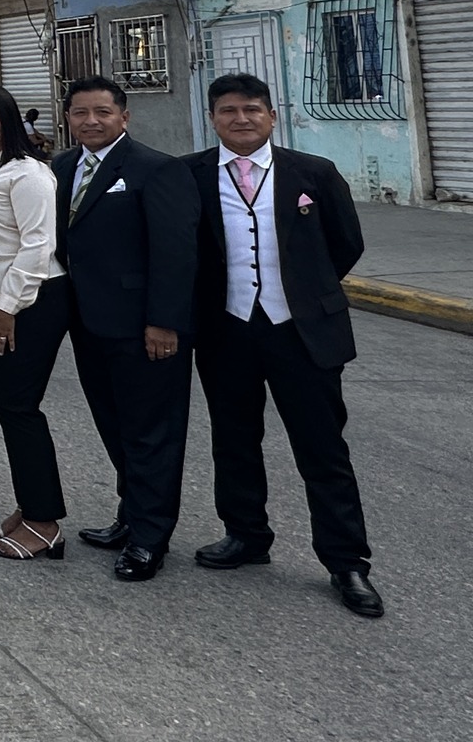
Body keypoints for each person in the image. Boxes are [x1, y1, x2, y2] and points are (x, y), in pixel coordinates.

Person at [187, 73, 381, 617]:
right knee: (233, 438)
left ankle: (346, 561)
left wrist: (305, 292)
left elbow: (346, 243)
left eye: (252, 109)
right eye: (228, 110)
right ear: (213, 118)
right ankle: (246, 534)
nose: (241, 119)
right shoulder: (191, 175)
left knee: (323, 449)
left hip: (301, 332)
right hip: (227, 329)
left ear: (272, 116)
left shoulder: (313, 173)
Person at [54, 75, 197, 583]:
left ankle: (150, 537)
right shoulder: (62, 167)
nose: (91, 121)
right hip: (89, 323)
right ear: (68, 118)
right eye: (80, 112)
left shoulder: (157, 169)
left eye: (103, 112)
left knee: (151, 432)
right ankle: (131, 514)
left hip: (144, 328)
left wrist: (164, 322)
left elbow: (176, 253)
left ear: (124, 117)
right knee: (115, 426)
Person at [0, 83, 68, 563]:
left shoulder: (28, 173)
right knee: (6, 406)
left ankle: (45, 523)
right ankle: (29, 506)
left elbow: (38, 245)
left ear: (9, 120)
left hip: (27, 302)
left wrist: (6, 308)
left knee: (20, 407)